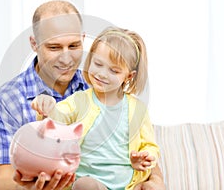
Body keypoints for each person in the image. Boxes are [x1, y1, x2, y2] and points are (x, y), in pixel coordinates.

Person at [0, 0, 165, 190]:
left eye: (73, 46)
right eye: (54, 47)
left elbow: (143, 153)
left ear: (83, 39)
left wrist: (155, 182)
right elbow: (3, 182)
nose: (66, 58)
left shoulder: (101, 85)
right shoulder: (4, 103)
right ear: (34, 44)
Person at [31, 27, 160, 190]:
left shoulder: (138, 109)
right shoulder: (80, 100)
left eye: (114, 70)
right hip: (90, 182)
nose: (102, 74)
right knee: (85, 185)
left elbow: (150, 145)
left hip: (128, 185)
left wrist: (146, 157)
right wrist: (47, 107)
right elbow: (57, 120)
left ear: (129, 76)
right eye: (98, 64)